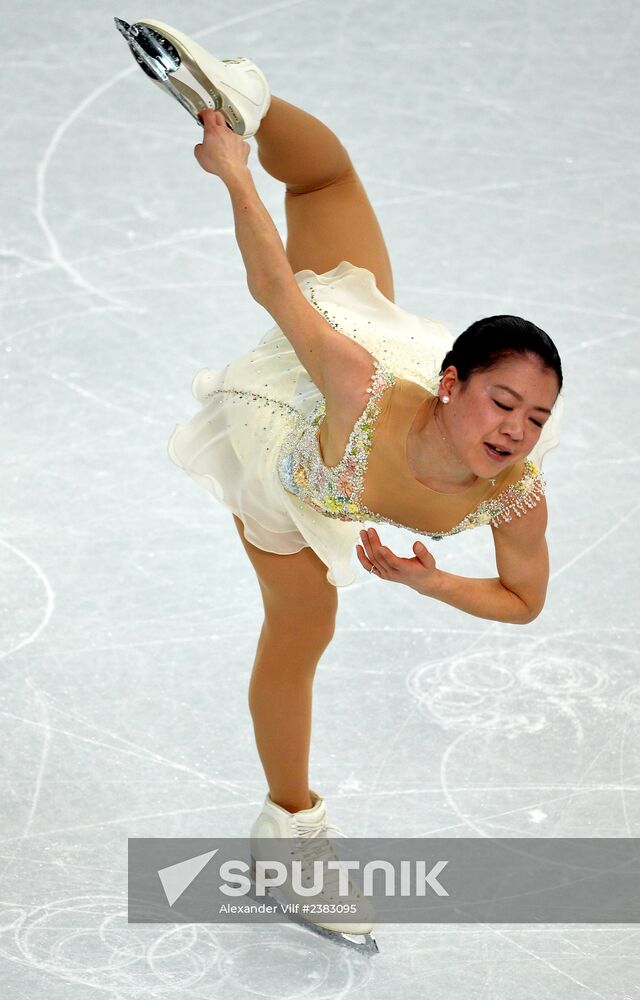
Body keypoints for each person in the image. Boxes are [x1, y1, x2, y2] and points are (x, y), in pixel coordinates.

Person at [121, 19, 564, 951]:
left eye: (534, 418)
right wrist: (235, 171)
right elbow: (275, 289)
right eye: (502, 402)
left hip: (353, 409)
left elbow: (524, 598)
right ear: (455, 385)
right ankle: (249, 106)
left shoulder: (514, 492)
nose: (515, 432)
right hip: (294, 446)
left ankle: (248, 102)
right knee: (302, 627)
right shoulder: (363, 385)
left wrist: (432, 580)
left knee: (323, 185)